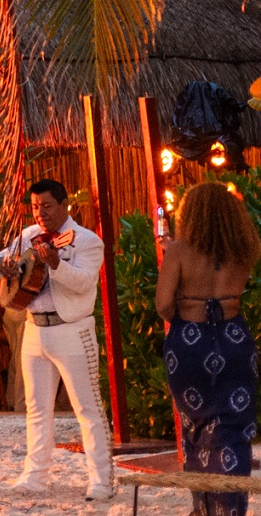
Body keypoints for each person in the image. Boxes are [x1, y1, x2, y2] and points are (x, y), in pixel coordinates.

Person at [0, 177, 114, 500]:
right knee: (37, 409)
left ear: (64, 205)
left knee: (88, 408)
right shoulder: (28, 236)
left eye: (46, 206)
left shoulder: (86, 241)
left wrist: (56, 264)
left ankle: (100, 481)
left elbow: (85, 283)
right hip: (34, 328)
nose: (40, 213)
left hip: (72, 329)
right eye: (34, 207)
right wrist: (4, 266)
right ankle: (35, 476)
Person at [158, 181, 261, 514]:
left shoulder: (178, 251)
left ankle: (204, 508)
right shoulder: (248, 247)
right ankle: (231, 507)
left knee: (197, 429)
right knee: (233, 428)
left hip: (190, 346)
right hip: (234, 342)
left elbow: (162, 305)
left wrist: (186, 312)